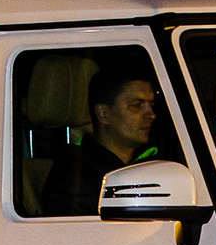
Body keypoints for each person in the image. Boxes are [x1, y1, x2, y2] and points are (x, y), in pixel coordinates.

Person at [51, 63, 168, 215]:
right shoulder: (74, 180)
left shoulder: (150, 165)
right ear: (104, 114)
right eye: (136, 105)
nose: (151, 114)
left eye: (151, 105)